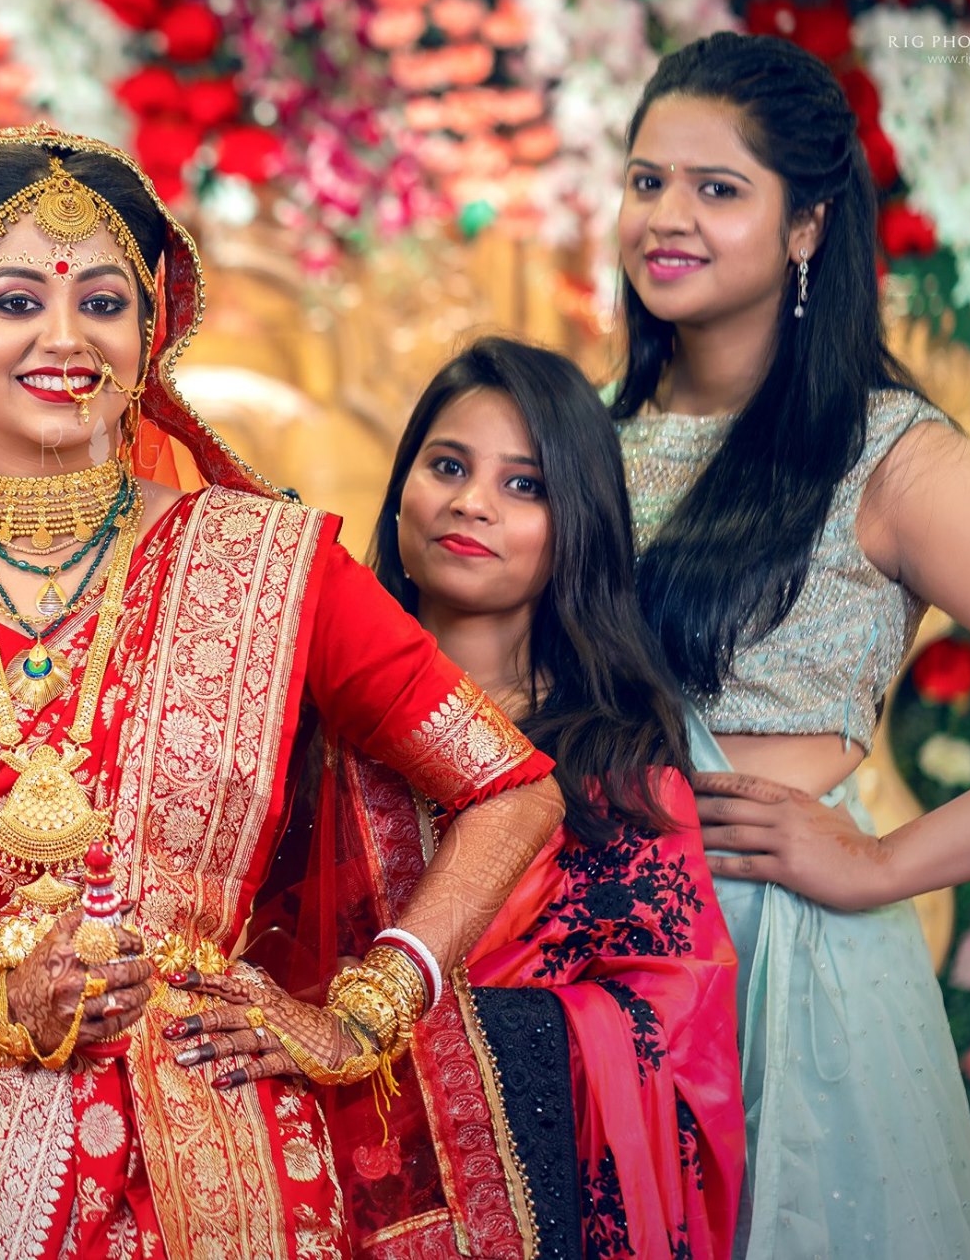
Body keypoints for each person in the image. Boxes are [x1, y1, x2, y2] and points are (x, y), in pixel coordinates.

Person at [0, 125, 571, 1260]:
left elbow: (513, 793)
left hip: (215, 1155)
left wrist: (363, 1015)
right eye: (15, 300)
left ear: (150, 330)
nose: (64, 338)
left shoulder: (268, 563)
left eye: (102, 300)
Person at [613, 30, 970, 1257]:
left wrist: (889, 865)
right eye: (645, 181)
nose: (666, 216)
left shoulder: (884, 455)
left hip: (762, 956)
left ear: (804, 228)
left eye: (715, 189)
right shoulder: (574, 433)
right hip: (573, 949)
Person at [368, 336, 744, 1260]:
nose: (471, 502)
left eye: (523, 485)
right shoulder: (308, 725)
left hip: (511, 1212)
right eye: (447, 465)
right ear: (403, 491)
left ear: (576, 524)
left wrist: (432, 1035)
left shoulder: (621, 774)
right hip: (302, 1176)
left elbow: (668, 1029)